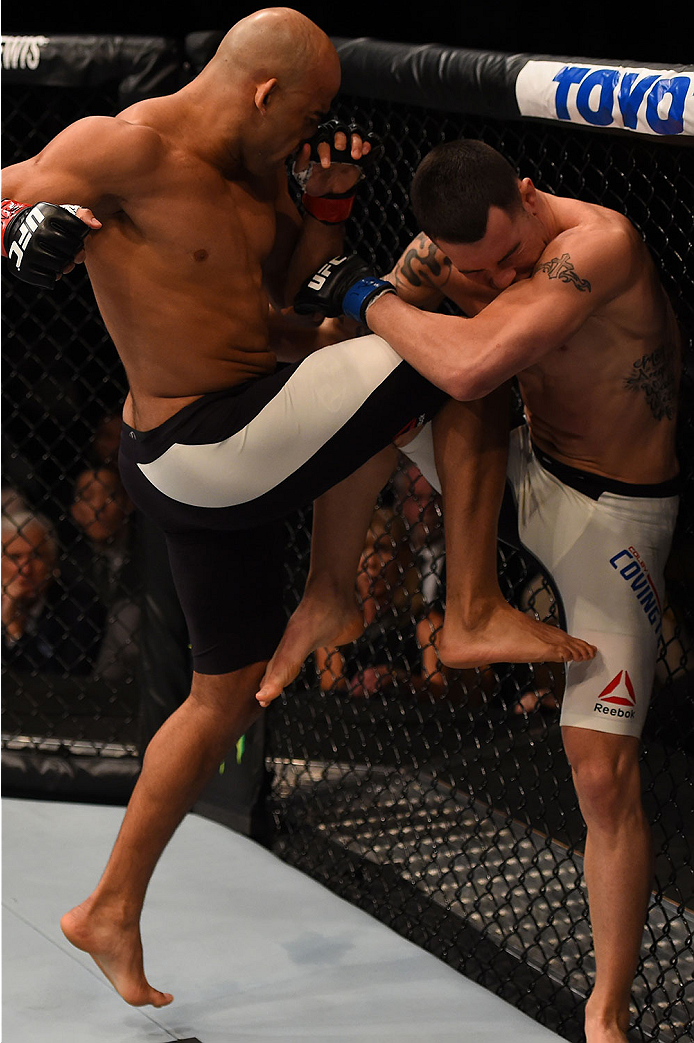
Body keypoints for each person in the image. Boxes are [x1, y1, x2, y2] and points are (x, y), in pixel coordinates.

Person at [2, 10, 595, 1009]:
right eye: (310, 114)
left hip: (233, 437)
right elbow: (9, 196)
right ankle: (468, 606)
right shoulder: (120, 146)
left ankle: (106, 904)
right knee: (455, 356)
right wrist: (21, 228)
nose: (315, 132)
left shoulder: (260, 174)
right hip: (197, 444)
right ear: (266, 93)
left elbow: (277, 301)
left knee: (221, 696)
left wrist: (326, 204)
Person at [258, 139, 681, 1043]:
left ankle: (605, 1011)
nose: (503, 274)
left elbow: (472, 359)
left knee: (601, 774)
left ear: (528, 197)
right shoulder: (442, 260)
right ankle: (338, 593)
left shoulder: (596, 244)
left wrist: (365, 291)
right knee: (362, 383)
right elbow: (346, 347)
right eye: (475, 268)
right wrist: (346, 280)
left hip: (614, 513)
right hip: (516, 465)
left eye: (512, 257)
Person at [1, 507, 105, 673]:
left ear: (53, 563)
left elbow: (62, 683)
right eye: (15, 557)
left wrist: (14, 630)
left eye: (37, 556)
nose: (25, 569)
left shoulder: (80, 609)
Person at [69, 466, 140, 682]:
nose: (99, 506)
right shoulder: (70, 565)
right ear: (76, 511)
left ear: (128, 503)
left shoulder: (149, 558)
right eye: (88, 497)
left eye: (109, 496)